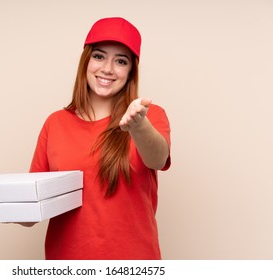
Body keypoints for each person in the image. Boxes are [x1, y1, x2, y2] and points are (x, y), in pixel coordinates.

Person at [25, 17, 171, 260]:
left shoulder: (148, 116)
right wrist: (4, 208)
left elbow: (158, 158)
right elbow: (35, 202)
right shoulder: (55, 123)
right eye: (99, 56)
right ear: (86, 61)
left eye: (121, 61)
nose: (107, 69)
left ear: (131, 71)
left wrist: (138, 125)